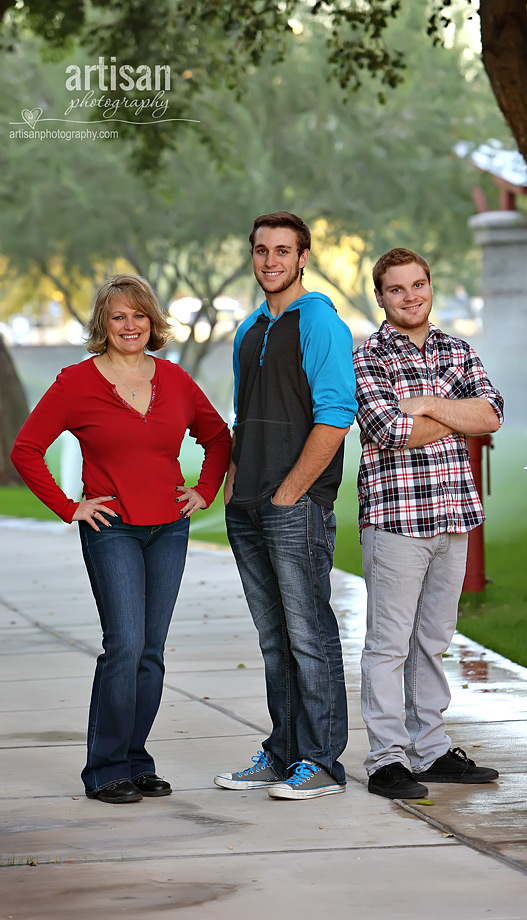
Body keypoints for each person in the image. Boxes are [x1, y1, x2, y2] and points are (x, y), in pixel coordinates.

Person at [11, 274, 231, 804]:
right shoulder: (75, 383)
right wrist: (70, 507)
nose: (130, 325)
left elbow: (218, 436)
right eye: (118, 317)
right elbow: (26, 449)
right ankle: (105, 768)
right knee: (124, 645)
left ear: (151, 321)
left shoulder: (175, 381)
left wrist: (203, 491)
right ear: (103, 326)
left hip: (169, 530)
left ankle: (136, 760)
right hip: (112, 530)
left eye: (138, 315)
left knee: (151, 652)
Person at [214, 211, 357, 800]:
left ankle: (322, 761)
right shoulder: (249, 328)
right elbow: (244, 413)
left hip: (294, 507)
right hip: (246, 506)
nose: (270, 261)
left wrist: (291, 490)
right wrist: (232, 480)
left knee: (308, 634)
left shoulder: (320, 323)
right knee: (274, 640)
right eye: (260, 250)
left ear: (303, 258)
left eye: (282, 251)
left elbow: (336, 414)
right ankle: (284, 752)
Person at [353, 248, 504, 800]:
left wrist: (426, 402)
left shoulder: (456, 349)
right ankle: (386, 759)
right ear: (381, 297)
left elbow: (490, 414)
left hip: (453, 516)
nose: (410, 296)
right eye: (397, 289)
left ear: (430, 287)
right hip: (396, 520)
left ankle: (432, 749)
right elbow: (392, 430)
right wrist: (449, 412)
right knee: (389, 645)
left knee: (434, 638)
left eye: (418, 285)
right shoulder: (366, 357)